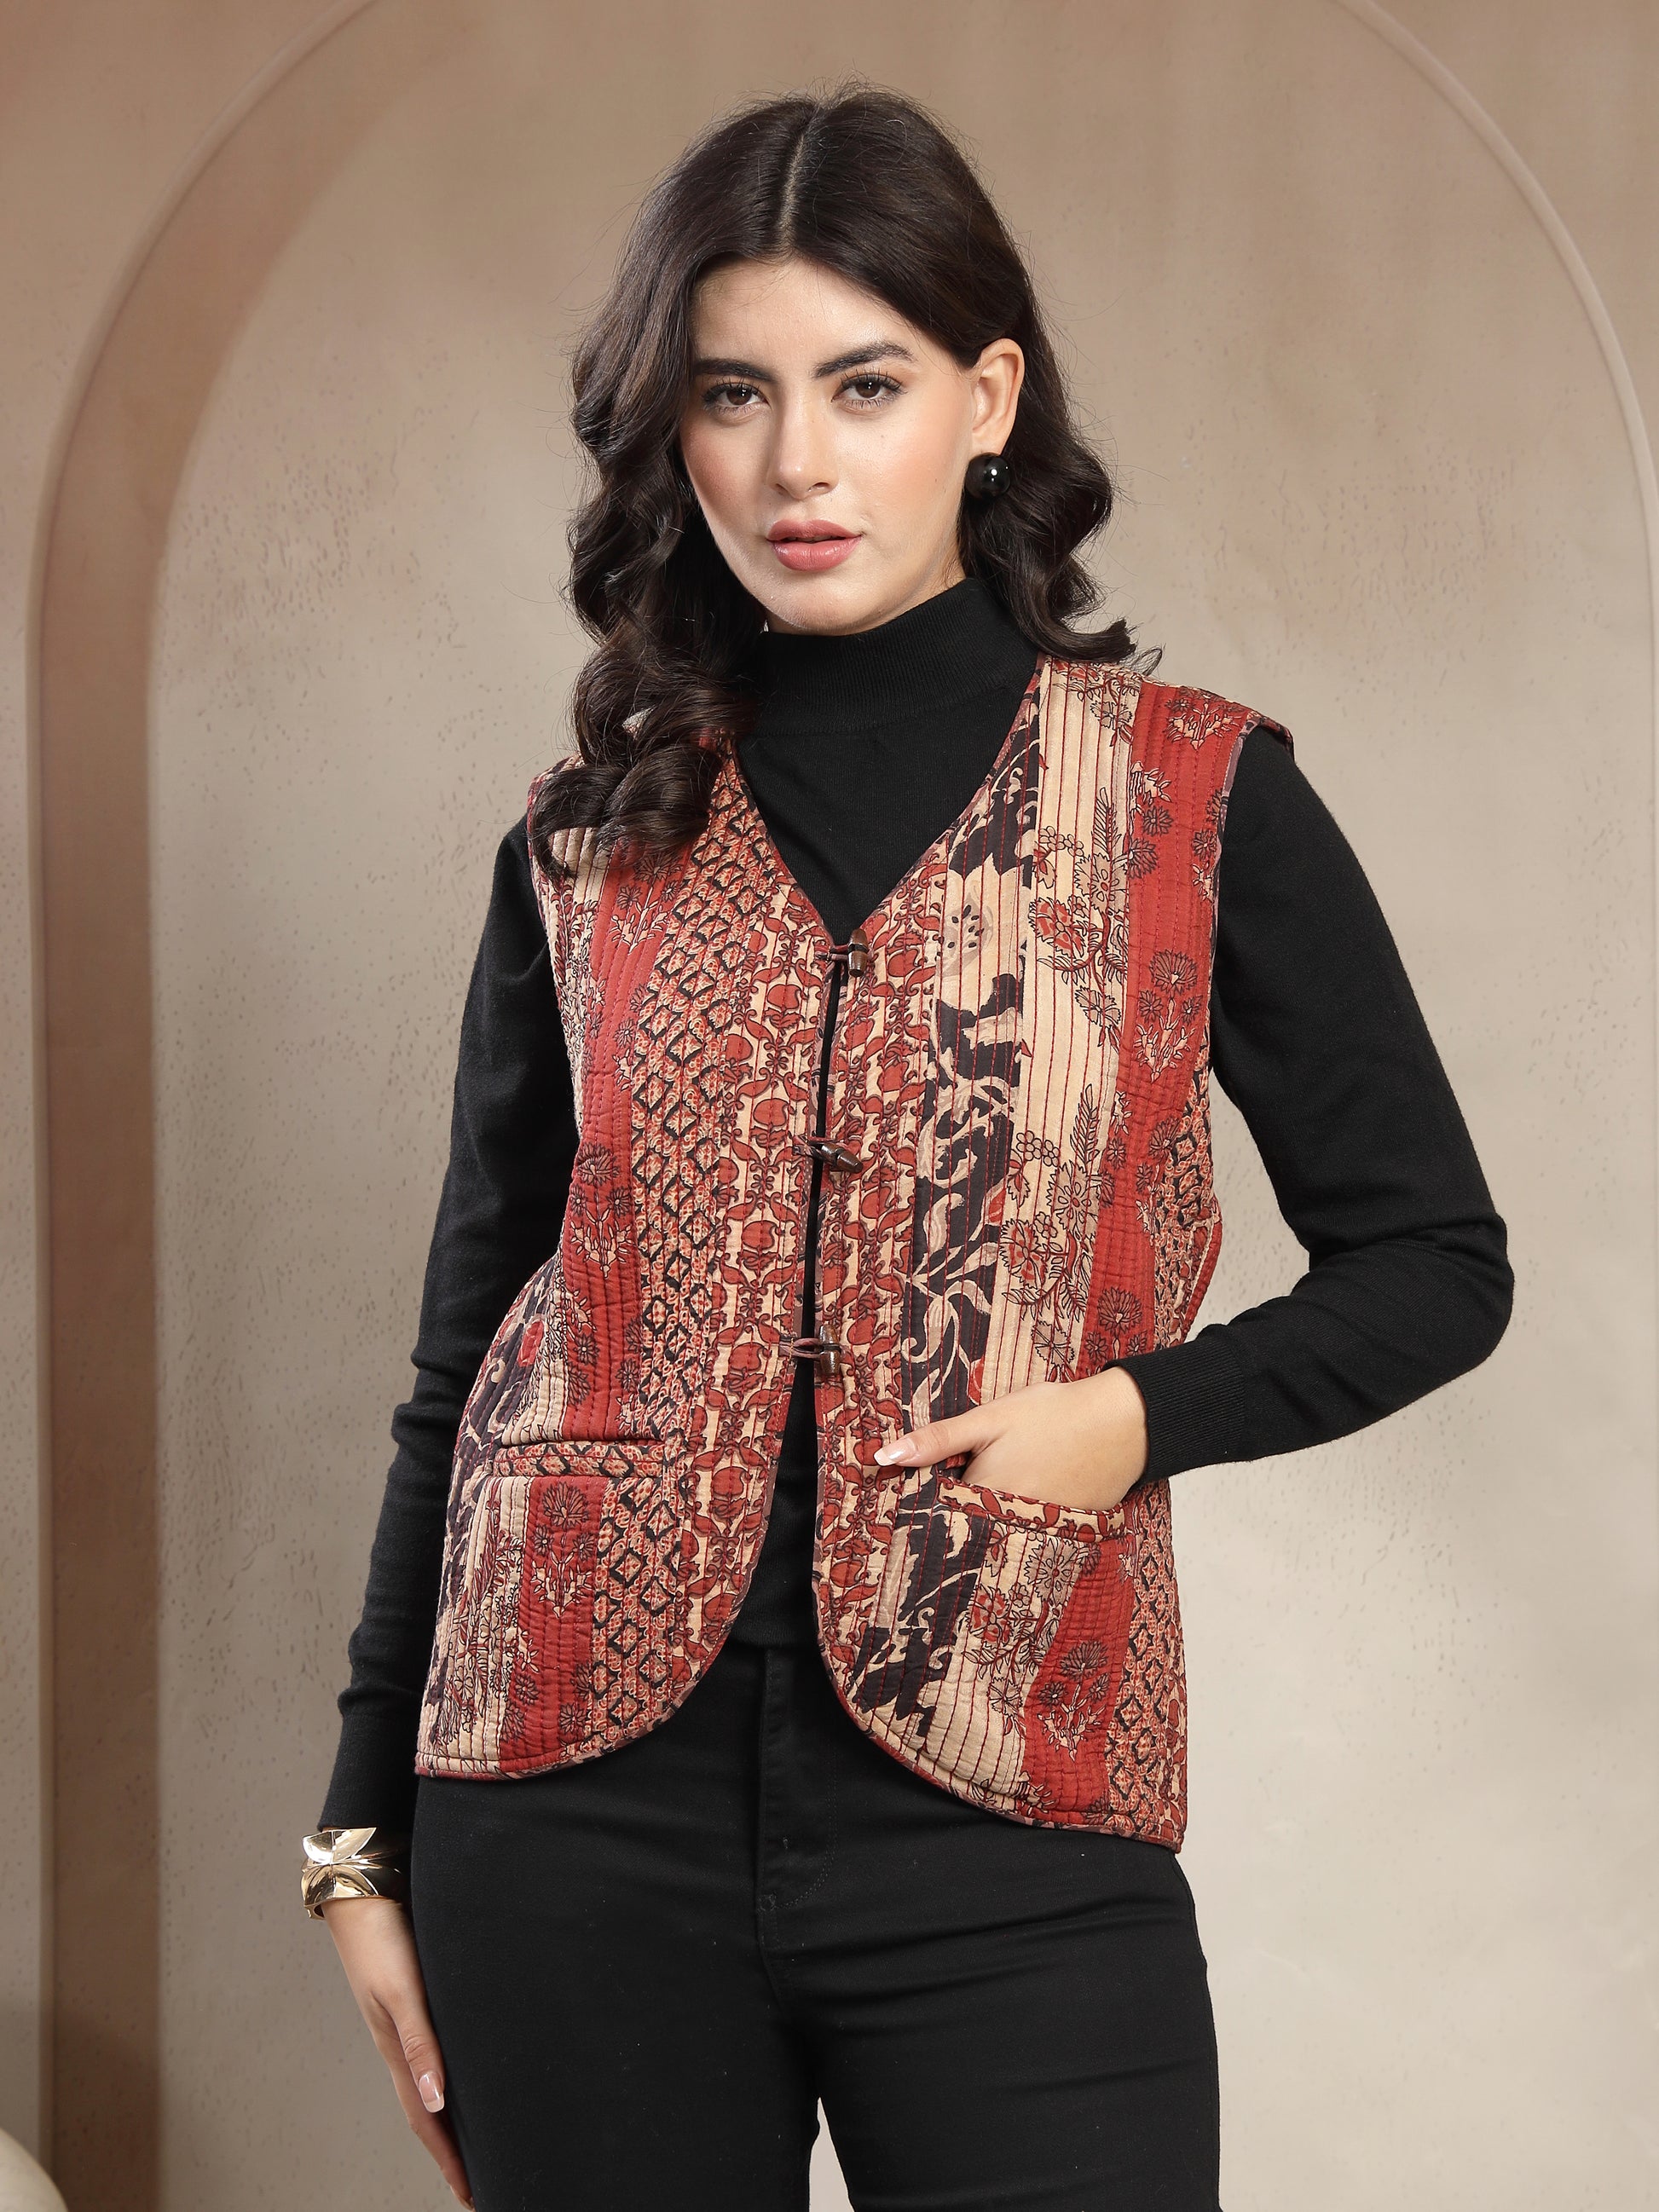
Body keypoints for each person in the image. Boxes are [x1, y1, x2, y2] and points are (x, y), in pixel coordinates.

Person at [303, 81, 1513, 2212]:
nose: (797, 460)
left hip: (1010, 1792)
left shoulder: (1197, 797)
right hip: (565, 1818)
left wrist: (1132, 1417)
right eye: (733, 393)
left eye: (862, 384)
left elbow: (1435, 1259)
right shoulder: (583, 842)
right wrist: (356, 1835)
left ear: (987, 398)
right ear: (674, 434)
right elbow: (466, 1346)